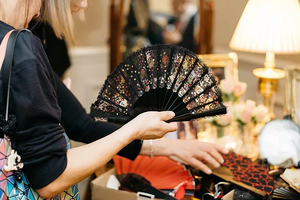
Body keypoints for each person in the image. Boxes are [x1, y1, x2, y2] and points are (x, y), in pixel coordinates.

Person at [0, 0, 227, 198]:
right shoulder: (22, 44)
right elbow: (50, 179)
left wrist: (169, 147)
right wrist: (134, 130)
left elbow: (79, 123)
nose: (38, 11)